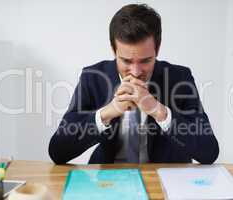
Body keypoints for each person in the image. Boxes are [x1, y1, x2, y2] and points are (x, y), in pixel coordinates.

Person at [48, 4, 219, 164]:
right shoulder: (92, 78)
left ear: (157, 50)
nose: (136, 71)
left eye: (145, 61)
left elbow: (209, 152)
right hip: (109, 180)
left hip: (165, 179)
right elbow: (58, 151)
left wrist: (158, 111)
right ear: (114, 50)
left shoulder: (180, 78)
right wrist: (107, 113)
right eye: (126, 61)